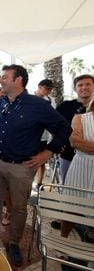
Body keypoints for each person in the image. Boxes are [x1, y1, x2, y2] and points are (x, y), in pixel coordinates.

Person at [0, 64, 71, 266]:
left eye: (5, 77)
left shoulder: (37, 105)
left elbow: (63, 128)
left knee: (20, 208)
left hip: (22, 167)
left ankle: (13, 243)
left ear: (18, 80)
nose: (1, 80)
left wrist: (47, 152)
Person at [61, 99, 94, 239]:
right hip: (81, 166)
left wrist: (88, 145)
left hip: (83, 158)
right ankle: (63, 240)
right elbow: (75, 142)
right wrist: (82, 144)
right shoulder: (80, 118)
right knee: (72, 205)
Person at [56, 74, 94, 184]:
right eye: (80, 85)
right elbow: (53, 127)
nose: (84, 87)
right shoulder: (65, 106)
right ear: (75, 88)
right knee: (69, 189)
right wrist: (57, 143)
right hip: (67, 156)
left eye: (88, 84)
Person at [34, 79, 55, 189]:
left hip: (44, 137)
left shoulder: (50, 100)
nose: (49, 91)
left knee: (40, 161)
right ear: (39, 86)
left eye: (50, 89)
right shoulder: (29, 98)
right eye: (47, 88)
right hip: (30, 136)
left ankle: (39, 183)